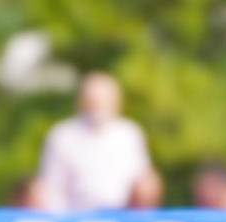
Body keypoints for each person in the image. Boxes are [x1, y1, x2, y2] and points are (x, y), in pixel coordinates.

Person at [36, 72, 153, 211]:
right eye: (93, 100)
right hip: (76, 216)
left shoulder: (129, 133)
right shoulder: (63, 135)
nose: (98, 105)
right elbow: (52, 186)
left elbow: (143, 180)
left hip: (123, 216)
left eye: (103, 100)